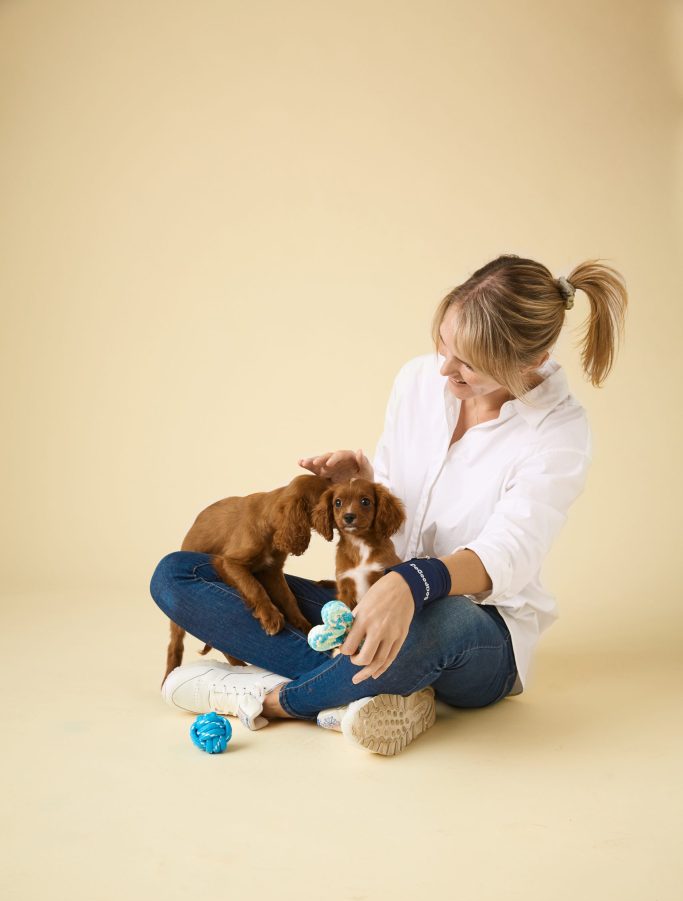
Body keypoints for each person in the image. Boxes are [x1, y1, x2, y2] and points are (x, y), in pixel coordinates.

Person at [150, 254, 627, 756]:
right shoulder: (419, 381)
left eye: (468, 361)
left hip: (476, 633)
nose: (445, 368)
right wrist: (364, 482)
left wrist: (413, 582)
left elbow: (510, 554)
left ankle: (272, 699)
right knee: (180, 574)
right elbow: (405, 502)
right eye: (443, 343)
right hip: (379, 601)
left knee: (445, 621)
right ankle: (383, 689)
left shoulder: (559, 433)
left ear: (530, 360)